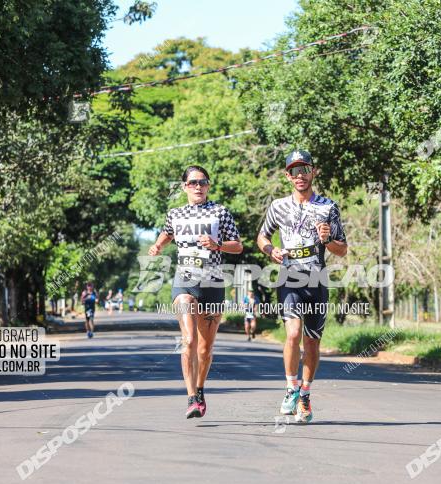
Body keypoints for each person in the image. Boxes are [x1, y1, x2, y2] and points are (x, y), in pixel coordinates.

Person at [256, 149, 348, 423]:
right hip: (289, 275)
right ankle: (290, 389)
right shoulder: (278, 206)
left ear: (313, 172)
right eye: (294, 171)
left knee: (312, 342)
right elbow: (262, 236)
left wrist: (328, 238)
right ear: (288, 176)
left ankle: (305, 396)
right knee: (293, 333)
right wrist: (270, 250)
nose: (300, 175)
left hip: (316, 277)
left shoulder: (328, 206)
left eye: (304, 169)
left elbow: (342, 250)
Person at [148, 165, 242, 418]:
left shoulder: (219, 212)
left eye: (202, 182)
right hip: (185, 281)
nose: (198, 186)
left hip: (212, 283)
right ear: (184, 187)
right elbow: (167, 234)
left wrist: (217, 244)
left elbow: (238, 246)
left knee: (205, 349)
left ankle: (200, 390)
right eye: (193, 183)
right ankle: (191, 397)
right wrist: (157, 245)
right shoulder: (175, 214)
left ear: (208, 186)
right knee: (188, 340)